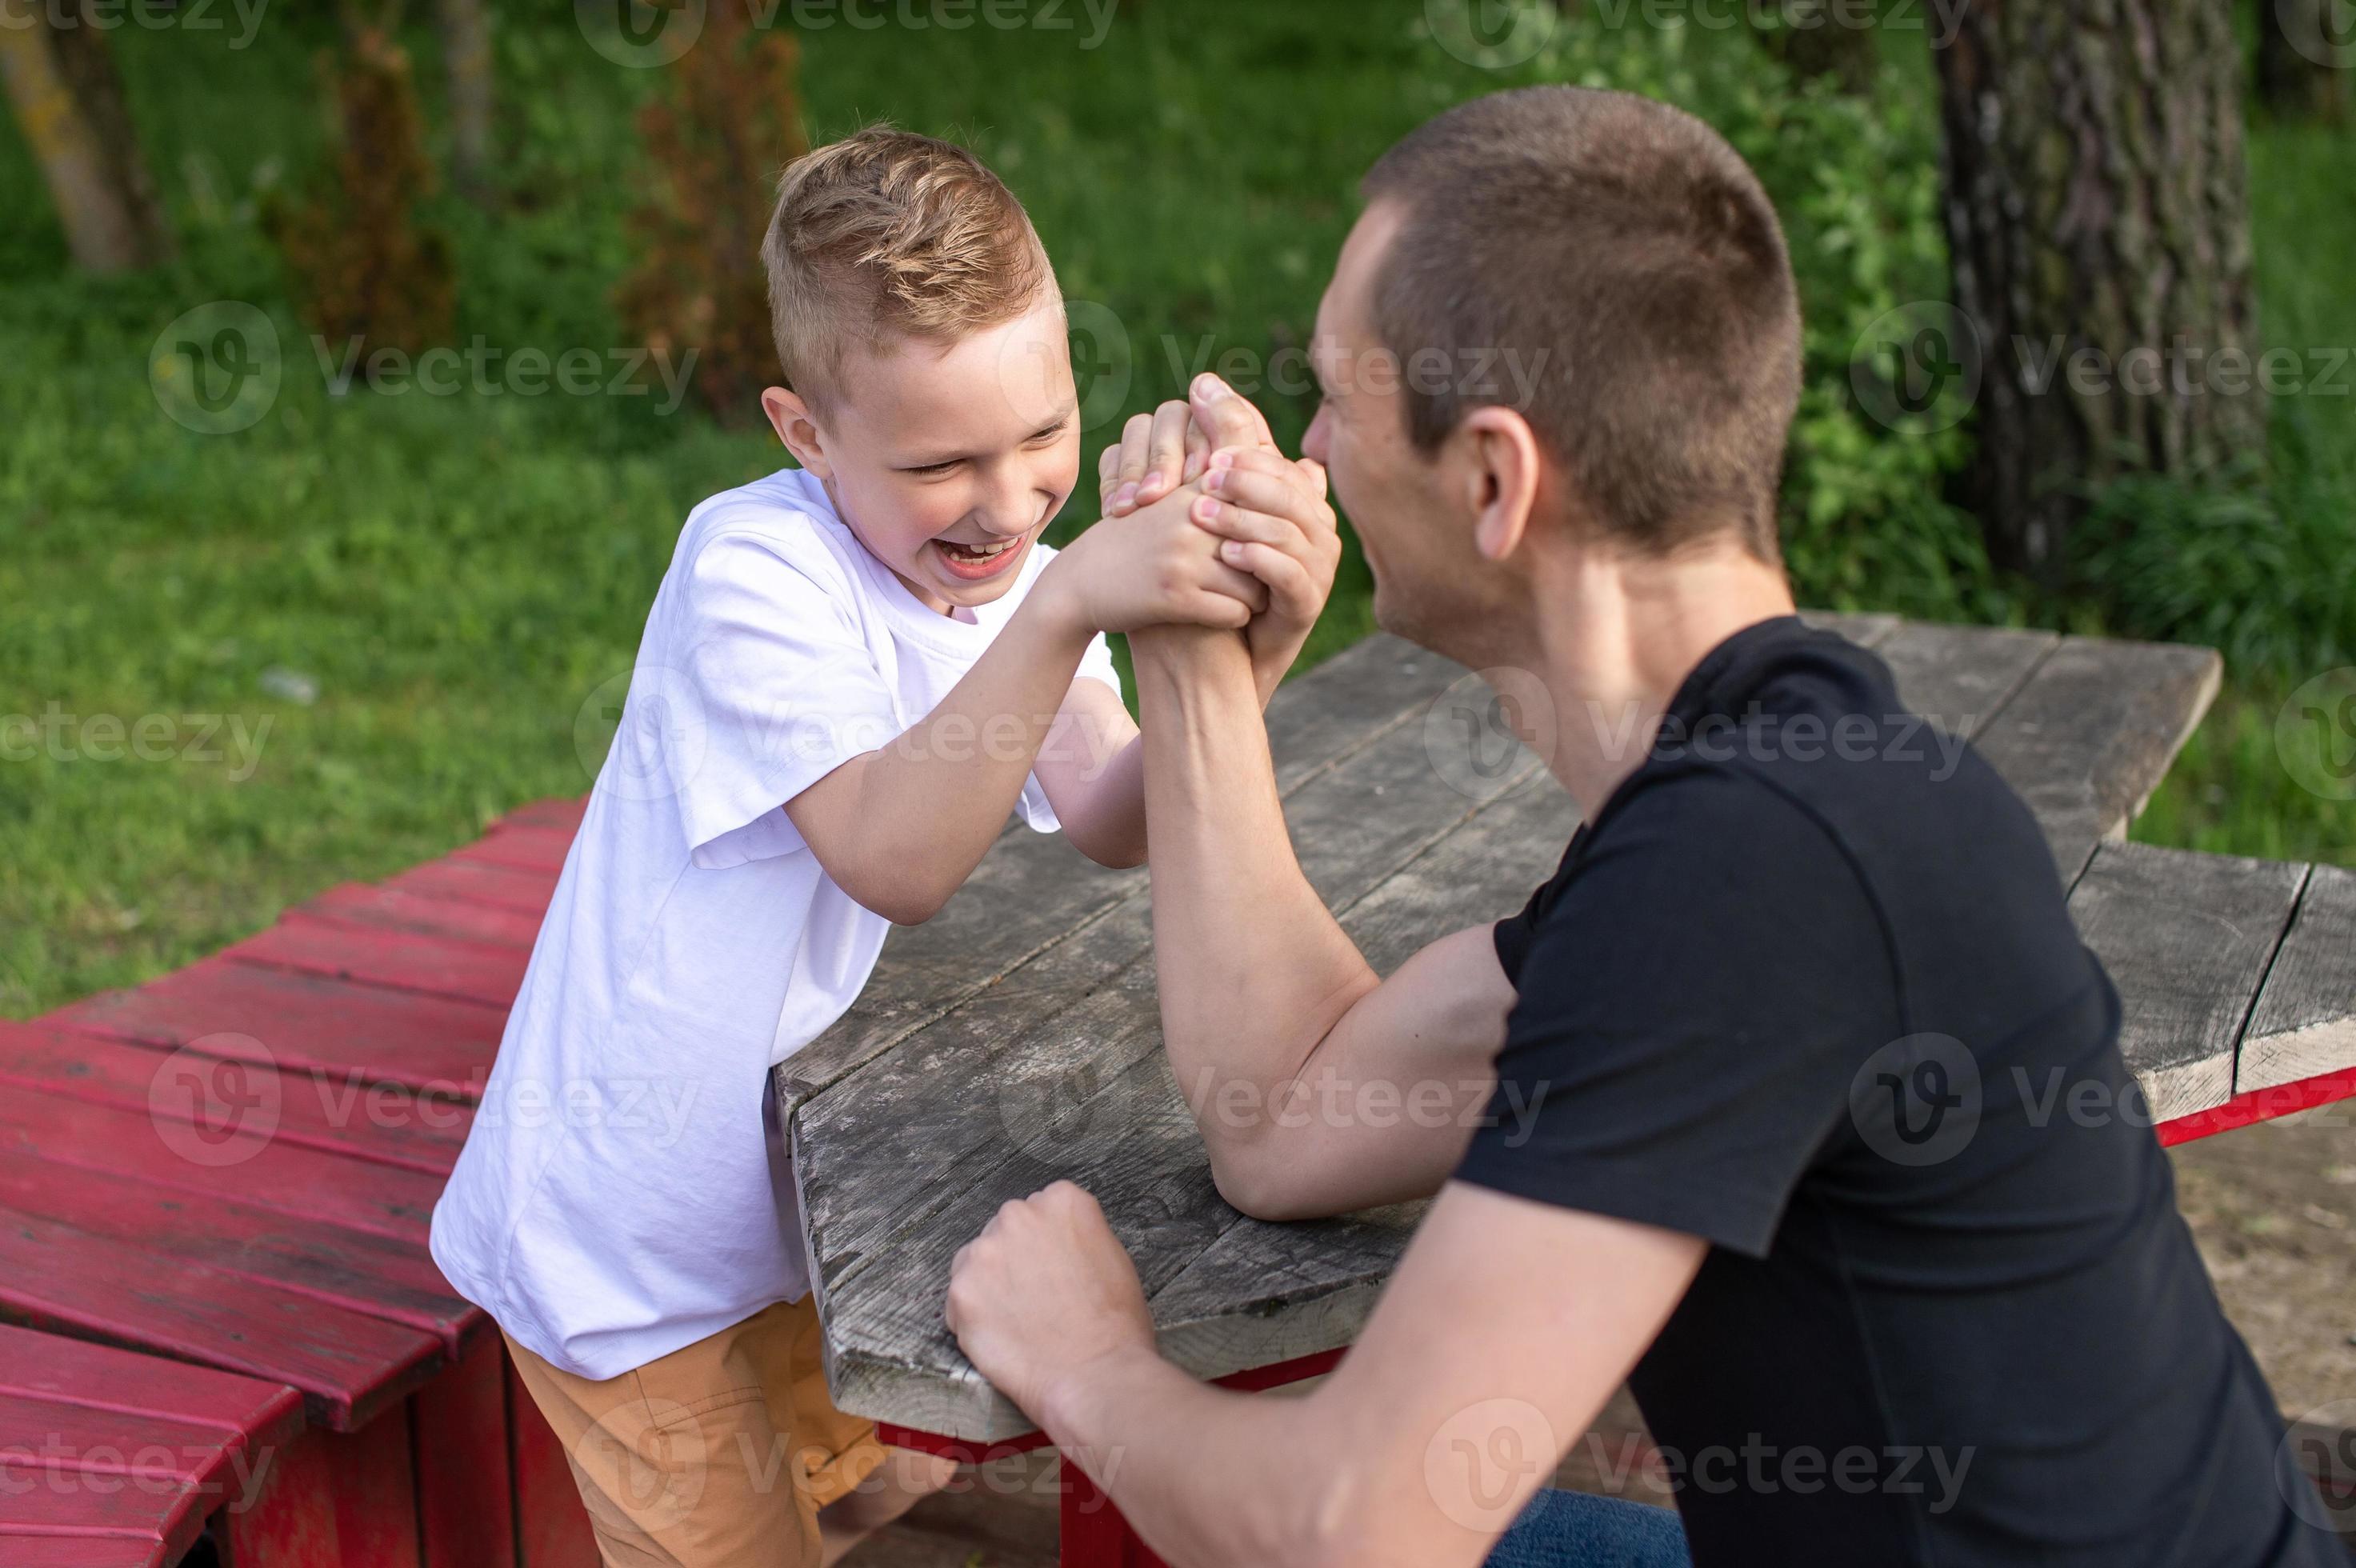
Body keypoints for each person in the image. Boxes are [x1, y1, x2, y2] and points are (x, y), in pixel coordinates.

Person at [943, 87, 2346, 1567]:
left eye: (1337, 401)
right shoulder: (1777, 793)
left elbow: (1349, 1535)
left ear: (1492, 481)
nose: (1309, 445)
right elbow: (1289, 1118)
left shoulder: (1745, 877)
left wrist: (1087, 1366)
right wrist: (1189, 672)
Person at [426, 125, 1335, 1566]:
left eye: (1042, 436)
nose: (1007, 503)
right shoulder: (754, 572)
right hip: (623, 1243)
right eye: (939, 463)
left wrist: (1239, 665)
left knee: (868, 1507)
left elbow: (1107, 818)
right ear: (803, 433)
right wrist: (1064, 608)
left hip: (776, 1212)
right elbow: (890, 858)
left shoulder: (1000, 572)